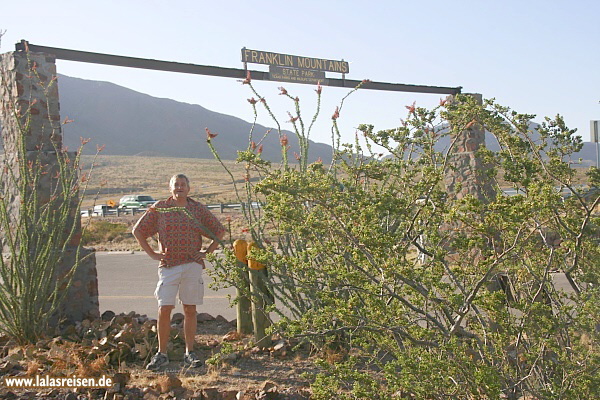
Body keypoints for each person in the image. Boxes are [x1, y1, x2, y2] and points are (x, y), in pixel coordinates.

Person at [133, 173, 225, 370]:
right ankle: (161, 353)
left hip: (192, 264)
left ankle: (189, 353)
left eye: (183, 184)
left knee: (190, 309)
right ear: (170, 188)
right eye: (176, 185)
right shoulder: (160, 208)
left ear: (189, 188)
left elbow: (219, 230)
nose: (179, 188)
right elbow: (138, 230)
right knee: (164, 308)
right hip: (168, 266)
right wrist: (153, 254)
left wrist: (207, 253)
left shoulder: (197, 209)